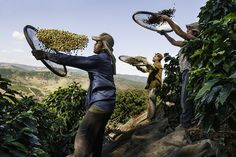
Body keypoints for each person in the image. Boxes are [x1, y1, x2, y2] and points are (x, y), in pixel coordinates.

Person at [32, 33, 116, 157]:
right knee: (97, 138)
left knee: (83, 137)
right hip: (108, 103)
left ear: (103, 46)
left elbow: (74, 60)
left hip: (100, 104)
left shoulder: (99, 59)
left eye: (97, 42)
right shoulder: (106, 59)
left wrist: (46, 55)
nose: (94, 44)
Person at [160, 15, 200, 129]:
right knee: (186, 98)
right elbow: (173, 42)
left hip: (191, 72)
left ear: (195, 32)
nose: (187, 30)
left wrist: (168, 19)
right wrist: (165, 34)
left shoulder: (196, 41)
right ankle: (188, 121)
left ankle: (185, 125)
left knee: (185, 99)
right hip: (185, 73)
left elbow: (179, 33)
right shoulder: (187, 43)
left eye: (189, 29)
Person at [136, 53, 163, 121]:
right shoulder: (154, 65)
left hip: (155, 85)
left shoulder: (158, 64)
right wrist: (137, 66)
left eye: (155, 56)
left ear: (158, 58)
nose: (153, 57)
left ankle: (151, 118)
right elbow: (145, 70)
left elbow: (152, 67)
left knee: (151, 100)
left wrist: (144, 61)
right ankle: (150, 116)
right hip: (152, 85)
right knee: (150, 101)